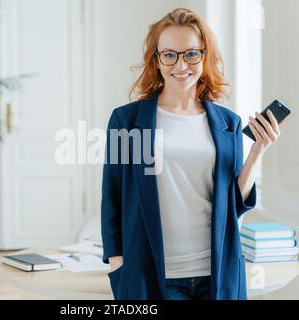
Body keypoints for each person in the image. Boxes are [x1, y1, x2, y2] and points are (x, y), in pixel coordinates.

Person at [100, 8, 284, 300]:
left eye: (191, 54)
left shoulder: (228, 123)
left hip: (217, 271)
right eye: (169, 54)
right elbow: (112, 196)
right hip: (151, 271)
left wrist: (257, 151)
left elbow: (232, 203)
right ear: (157, 60)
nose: (180, 64)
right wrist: (117, 260)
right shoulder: (127, 121)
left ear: (204, 56)